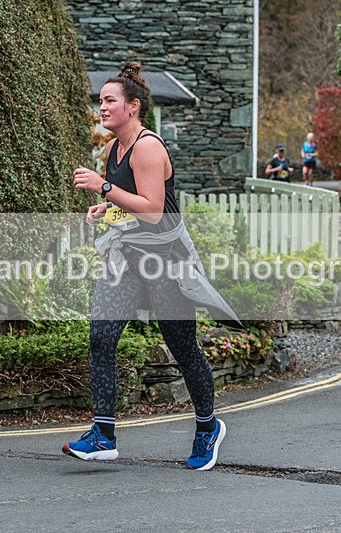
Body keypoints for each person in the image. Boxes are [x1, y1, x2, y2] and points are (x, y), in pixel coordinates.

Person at [68, 62, 236, 471]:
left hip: (166, 262)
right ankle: (103, 435)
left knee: (181, 346)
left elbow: (153, 209)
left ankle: (207, 427)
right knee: (101, 336)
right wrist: (103, 211)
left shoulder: (147, 146)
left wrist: (103, 186)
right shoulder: (114, 148)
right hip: (128, 259)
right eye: (102, 100)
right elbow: (127, 205)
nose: (102, 107)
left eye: (110, 101)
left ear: (133, 106)